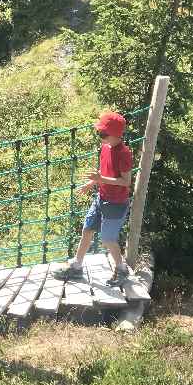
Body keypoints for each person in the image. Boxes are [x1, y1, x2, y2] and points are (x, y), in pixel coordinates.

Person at [58, 111, 134, 286]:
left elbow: (125, 182)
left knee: (107, 239)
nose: (100, 136)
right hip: (101, 198)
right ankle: (77, 266)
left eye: (103, 134)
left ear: (116, 135)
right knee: (87, 229)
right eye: (99, 133)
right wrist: (91, 184)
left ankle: (121, 269)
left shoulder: (124, 153)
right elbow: (103, 173)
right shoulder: (106, 148)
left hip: (116, 203)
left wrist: (100, 180)